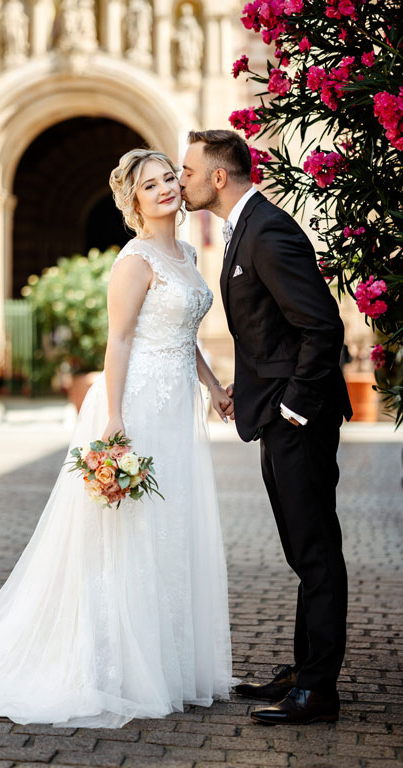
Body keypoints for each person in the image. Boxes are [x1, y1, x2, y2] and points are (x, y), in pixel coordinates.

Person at [0, 148, 239, 729]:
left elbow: (185, 336)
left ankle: (168, 660)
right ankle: (114, 666)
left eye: (168, 179)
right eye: (149, 185)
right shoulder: (135, 258)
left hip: (179, 405)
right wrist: (114, 417)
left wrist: (214, 386)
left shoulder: (184, 253)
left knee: (171, 524)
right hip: (138, 405)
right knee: (128, 528)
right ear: (132, 201)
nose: (164, 190)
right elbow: (121, 341)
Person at [180, 129, 352, 725]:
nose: (182, 181)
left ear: (219, 177)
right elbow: (268, 334)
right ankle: (306, 670)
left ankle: (319, 690)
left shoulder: (268, 231)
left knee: (316, 549)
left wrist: (294, 407)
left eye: (188, 171)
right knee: (302, 546)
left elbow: (322, 327)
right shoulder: (243, 231)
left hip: (297, 418)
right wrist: (241, 392)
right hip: (275, 411)